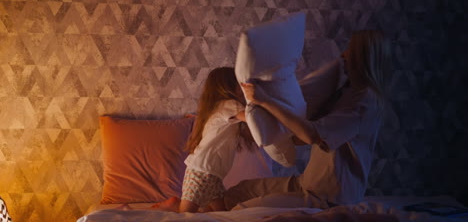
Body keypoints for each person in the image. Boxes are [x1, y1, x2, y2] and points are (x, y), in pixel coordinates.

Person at [220, 30, 392, 210]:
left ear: (363, 58)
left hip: (329, 197)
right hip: (309, 183)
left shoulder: (363, 103)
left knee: (243, 210)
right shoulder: (346, 91)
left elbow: (311, 135)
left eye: (351, 50)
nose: (344, 54)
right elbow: (302, 139)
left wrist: (264, 100)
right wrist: (268, 129)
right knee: (239, 192)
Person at [153, 67, 254, 212]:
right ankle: (170, 206)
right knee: (185, 215)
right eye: (239, 83)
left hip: (213, 174)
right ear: (228, 85)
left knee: (221, 214)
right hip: (201, 171)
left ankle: (174, 204)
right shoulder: (229, 104)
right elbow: (252, 119)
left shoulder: (221, 107)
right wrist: (253, 98)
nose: (242, 86)